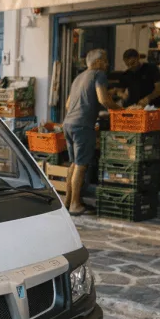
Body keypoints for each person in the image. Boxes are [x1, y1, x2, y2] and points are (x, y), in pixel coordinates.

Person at [63, 48, 123, 215]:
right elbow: (103, 99)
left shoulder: (78, 78)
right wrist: (120, 109)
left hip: (68, 123)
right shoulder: (98, 75)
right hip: (83, 126)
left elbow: (68, 105)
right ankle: (75, 204)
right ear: (96, 63)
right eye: (105, 60)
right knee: (81, 165)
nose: (107, 64)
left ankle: (67, 202)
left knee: (74, 163)